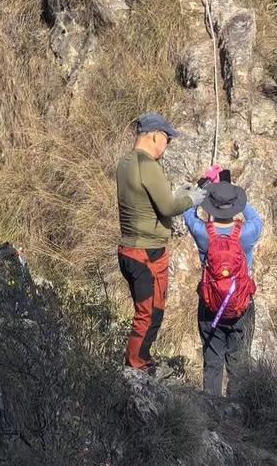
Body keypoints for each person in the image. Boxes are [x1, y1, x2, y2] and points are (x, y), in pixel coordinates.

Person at [115, 114, 207, 376]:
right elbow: (167, 207)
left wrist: (179, 193)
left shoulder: (125, 163)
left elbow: (148, 200)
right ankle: (136, 366)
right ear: (154, 135)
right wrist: (193, 199)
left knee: (143, 312)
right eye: (166, 139)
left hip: (128, 249)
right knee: (150, 313)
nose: (166, 146)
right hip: (148, 253)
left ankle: (140, 358)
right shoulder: (149, 166)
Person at [183, 171, 263, 397]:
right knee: (239, 362)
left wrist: (203, 187)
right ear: (235, 206)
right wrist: (234, 193)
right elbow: (256, 219)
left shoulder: (202, 233)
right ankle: (236, 413)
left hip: (210, 307)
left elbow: (188, 212)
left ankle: (212, 412)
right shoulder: (247, 233)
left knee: (212, 360)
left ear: (211, 207)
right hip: (241, 307)